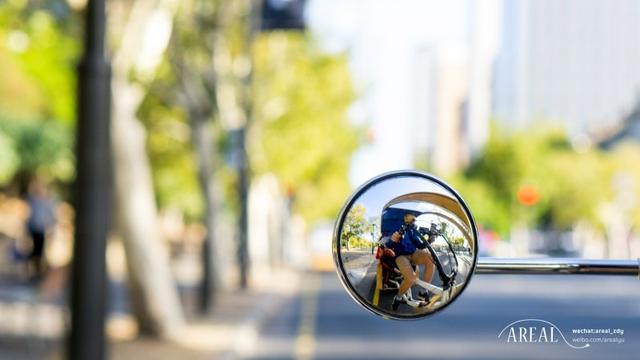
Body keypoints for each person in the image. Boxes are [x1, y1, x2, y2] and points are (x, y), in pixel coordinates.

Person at [382, 213, 436, 310]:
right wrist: (392, 240)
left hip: (413, 253)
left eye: (415, 220)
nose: (414, 221)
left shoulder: (413, 230)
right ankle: (398, 297)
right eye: (412, 219)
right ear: (405, 218)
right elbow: (389, 245)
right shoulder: (397, 228)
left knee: (431, 259)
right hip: (401, 255)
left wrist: (429, 240)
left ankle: (423, 291)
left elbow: (420, 245)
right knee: (411, 278)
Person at [26, 179, 56, 278]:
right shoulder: (33, 201)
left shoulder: (48, 201)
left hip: (42, 230)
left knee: (40, 250)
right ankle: (35, 270)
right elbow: (30, 216)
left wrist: (51, 228)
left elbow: (51, 216)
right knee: (35, 250)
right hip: (34, 229)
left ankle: (39, 271)